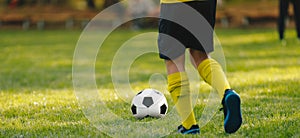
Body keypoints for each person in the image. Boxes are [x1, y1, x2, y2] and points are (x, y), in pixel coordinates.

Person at [157, 0, 242, 134]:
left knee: (174, 61)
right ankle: (227, 92)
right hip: (205, 3)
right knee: (200, 56)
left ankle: (189, 125)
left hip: (174, 3)